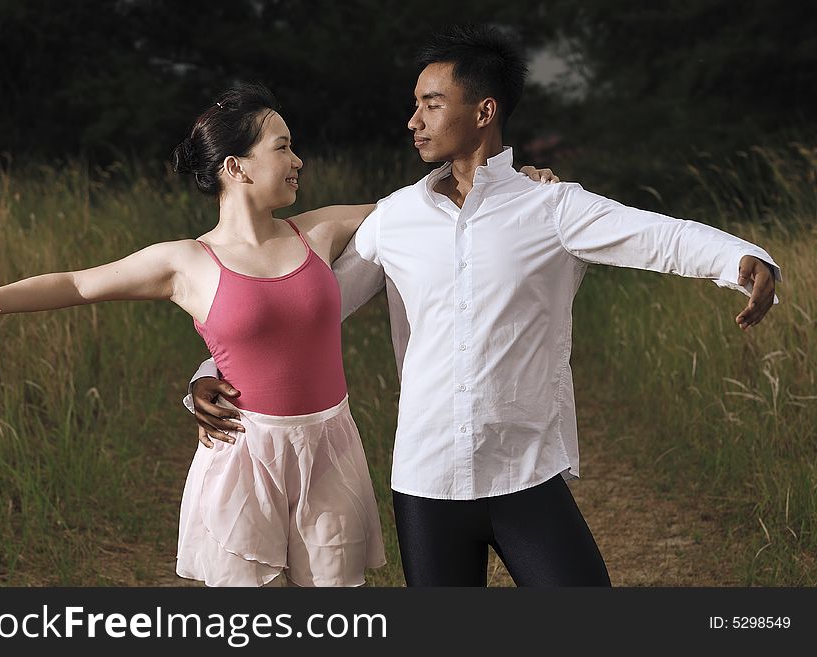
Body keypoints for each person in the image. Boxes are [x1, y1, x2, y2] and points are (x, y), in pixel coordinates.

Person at [188, 25, 781, 586]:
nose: (413, 120)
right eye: (415, 104)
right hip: (425, 481)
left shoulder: (551, 208)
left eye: (431, 103)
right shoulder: (396, 217)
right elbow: (308, 312)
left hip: (523, 471)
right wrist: (210, 373)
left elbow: (656, 236)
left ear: (484, 111)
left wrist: (741, 260)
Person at [0, 82, 558, 587]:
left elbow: (424, 206)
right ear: (236, 167)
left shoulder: (317, 233)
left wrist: (519, 186)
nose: (298, 160)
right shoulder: (184, 262)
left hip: (329, 448)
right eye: (283, 147)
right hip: (244, 456)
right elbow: (78, 283)